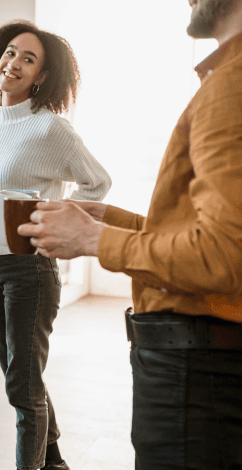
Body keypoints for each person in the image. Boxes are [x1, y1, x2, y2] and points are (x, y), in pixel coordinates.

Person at [17, 1, 242, 468]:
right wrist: (108, 220)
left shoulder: (231, 86)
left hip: (198, 377)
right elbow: (212, 233)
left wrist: (94, 240)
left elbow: (224, 255)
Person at [0, 21, 112, 470]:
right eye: (10, 52)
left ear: (42, 77)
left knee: (21, 388)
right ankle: (55, 462)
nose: (14, 63)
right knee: (20, 375)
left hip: (27, 268)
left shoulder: (51, 129)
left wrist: (54, 218)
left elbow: (98, 182)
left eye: (28, 59)